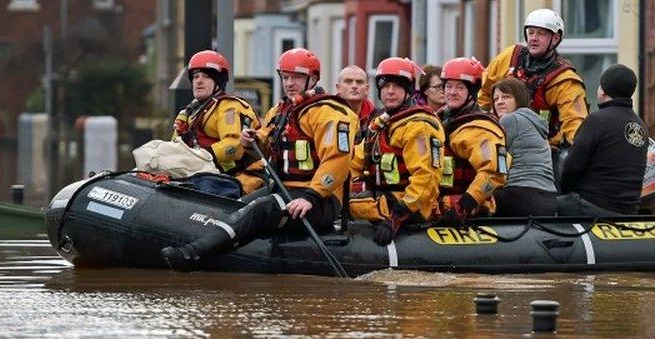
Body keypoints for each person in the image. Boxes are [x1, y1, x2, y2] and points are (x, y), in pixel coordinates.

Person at [161, 48, 359, 271]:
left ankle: (190, 255)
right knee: (234, 208)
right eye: (285, 77)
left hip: (319, 198)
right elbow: (265, 142)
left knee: (260, 210)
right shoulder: (280, 110)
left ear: (312, 79)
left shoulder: (329, 113)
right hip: (284, 188)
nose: (290, 83)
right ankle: (213, 246)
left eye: (296, 77)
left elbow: (338, 160)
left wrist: (310, 197)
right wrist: (252, 139)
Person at [349, 57, 445, 245]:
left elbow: (426, 178)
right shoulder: (382, 123)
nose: (390, 92)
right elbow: (354, 162)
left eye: (397, 86)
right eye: (385, 86)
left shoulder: (419, 126)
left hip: (408, 210)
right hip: (383, 201)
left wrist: (396, 217)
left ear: (408, 90)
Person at [477, 8, 588, 148]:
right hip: (500, 140)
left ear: (555, 39)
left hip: (541, 149)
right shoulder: (509, 57)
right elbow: (484, 95)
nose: (534, 38)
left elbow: (574, 126)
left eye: (541, 34)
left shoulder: (565, 80)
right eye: (530, 33)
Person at [558, 64, 648, 217]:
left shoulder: (597, 120)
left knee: (541, 206)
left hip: (592, 205)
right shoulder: (640, 125)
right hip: (628, 210)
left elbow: (572, 167)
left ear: (603, 90)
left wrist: (563, 191)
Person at [436, 57, 509, 226]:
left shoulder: (482, 129)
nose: (452, 92)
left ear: (472, 92)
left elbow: (495, 173)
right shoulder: (440, 120)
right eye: (448, 86)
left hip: (468, 212)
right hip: (439, 207)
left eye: (460, 87)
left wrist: (466, 204)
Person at [172, 50, 258, 174]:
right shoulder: (188, 113)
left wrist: (199, 157)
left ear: (218, 83)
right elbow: (174, 148)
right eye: (195, 77)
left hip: (230, 179)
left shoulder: (229, 106)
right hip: (195, 174)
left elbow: (233, 145)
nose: (199, 81)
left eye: (206, 76)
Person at [490, 78, 557, 217]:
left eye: (506, 97)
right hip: (548, 197)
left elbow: (491, 156)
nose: (499, 102)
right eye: (496, 99)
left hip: (521, 194)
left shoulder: (510, 119)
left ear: (519, 99)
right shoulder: (535, 122)